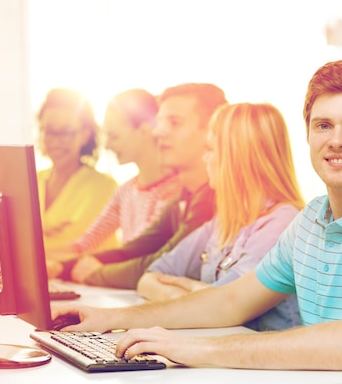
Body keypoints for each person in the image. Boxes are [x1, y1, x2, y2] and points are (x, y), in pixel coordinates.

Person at [52, 59, 342, 383]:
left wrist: (192, 349)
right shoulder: (313, 218)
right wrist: (112, 320)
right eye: (323, 125)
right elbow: (232, 300)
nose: (337, 140)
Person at [137, 103, 305, 331]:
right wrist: (185, 296)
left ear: (237, 156)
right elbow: (149, 277)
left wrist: (195, 296)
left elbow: (229, 303)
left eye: (210, 148)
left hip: (269, 361)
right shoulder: (224, 222)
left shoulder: (281, 222)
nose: (205, 158)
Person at [47, 83, 227, 288]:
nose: (158, 132)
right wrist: (64, 268)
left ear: (212, 131)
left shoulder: (211, 197)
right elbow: (138, 248)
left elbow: (161, 263)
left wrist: (96, 274)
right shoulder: (185, 196)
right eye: (159, 122)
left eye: (175, 123)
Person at [46, 88, 181, 261]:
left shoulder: (173, 193)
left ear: (144, 132)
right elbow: (84, 245)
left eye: (114, 136)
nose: (108, 146)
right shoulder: (125, 192)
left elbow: (140, 256)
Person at [36, 88, 118, 260]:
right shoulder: (30, 181)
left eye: (66, 132)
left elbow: (74, 246)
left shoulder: (104, 187)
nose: (56, 141)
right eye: (50, 132)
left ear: (85, 135)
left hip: (85, 282)